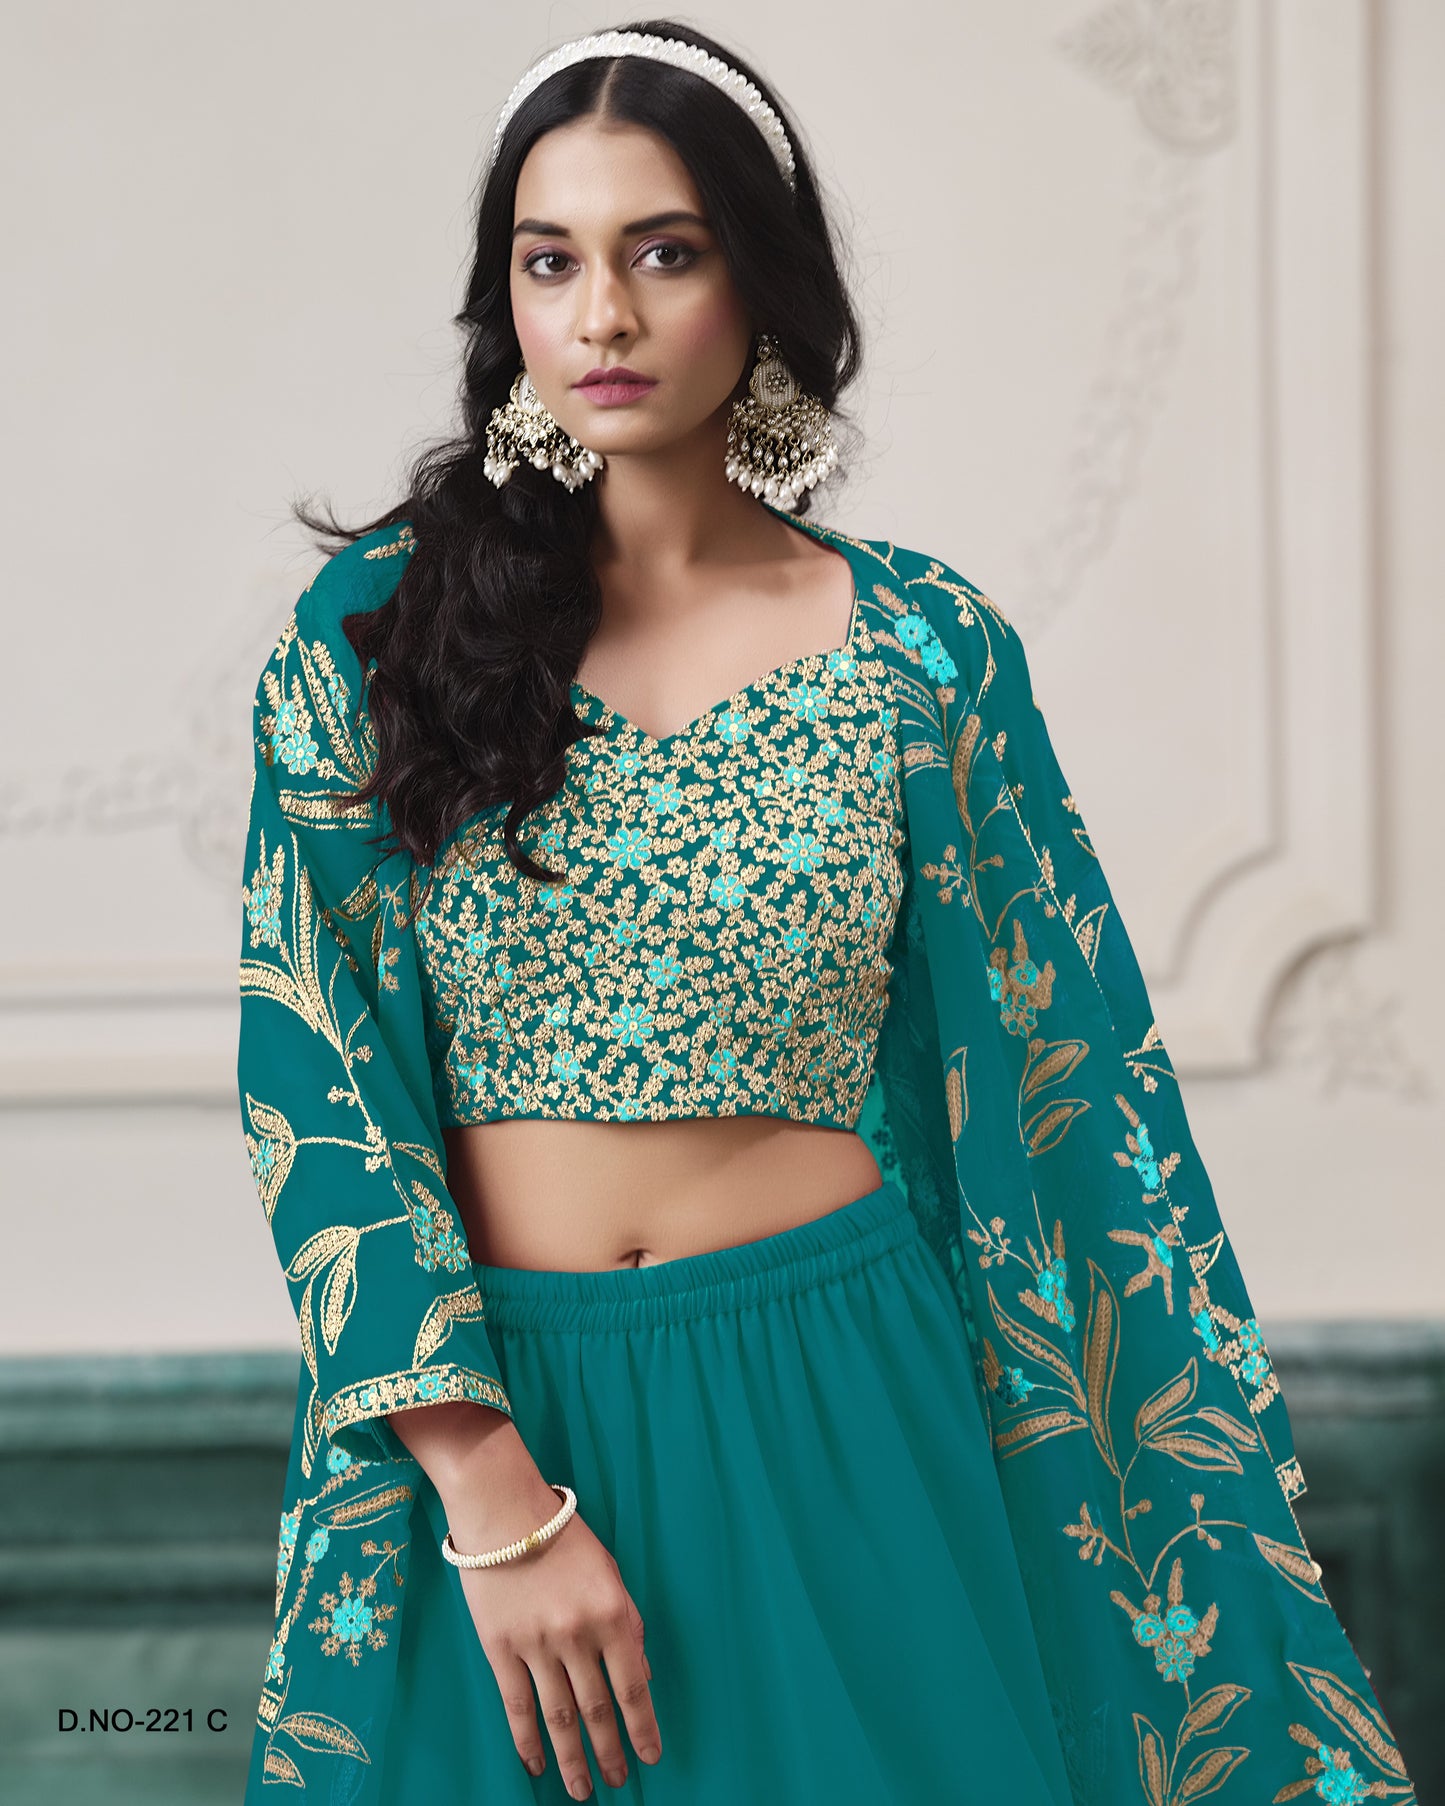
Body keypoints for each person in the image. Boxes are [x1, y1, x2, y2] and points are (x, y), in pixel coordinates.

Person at [237, 20, 1416, 1806]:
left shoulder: (922, 649)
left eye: (664, 252)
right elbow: (316, 1081)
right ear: (505, 301)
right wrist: (486, 1486)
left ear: (759, 284)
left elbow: (1068, 1095)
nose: (603, 319)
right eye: (549, 262)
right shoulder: (379, 639)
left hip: (843, 1397)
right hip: (498, 1423)